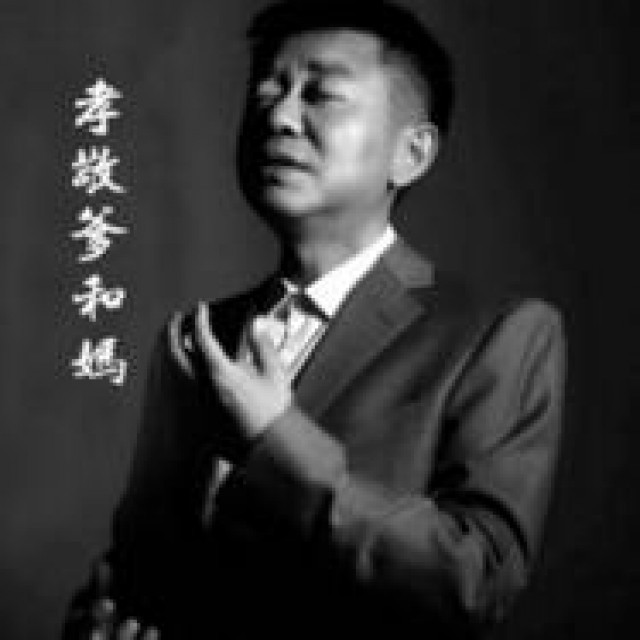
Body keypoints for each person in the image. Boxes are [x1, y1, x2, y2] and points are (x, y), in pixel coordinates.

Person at [63, 1, 566, 638]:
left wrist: (278, 439)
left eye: (322, 95)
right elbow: (139, 565)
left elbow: (476, 581)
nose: (278, 116)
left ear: (411, 153)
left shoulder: (498, 334)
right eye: (265, 92)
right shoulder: (194, 339)